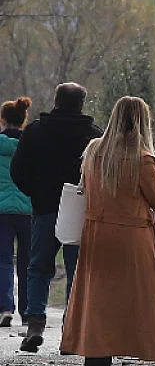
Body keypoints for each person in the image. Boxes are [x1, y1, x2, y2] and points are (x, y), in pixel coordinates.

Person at [60, 96, 155, 366]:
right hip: (134, 244)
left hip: (98, 242)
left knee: (99, 313)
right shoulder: (143, 160)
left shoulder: (94, 152)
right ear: (143, 122)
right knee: (153, 313)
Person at [10, 83, 102, 352]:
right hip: (80, 212)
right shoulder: (94, 137)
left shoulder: (35, 132)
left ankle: (35, 325)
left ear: (56, 101)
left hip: (45, 209)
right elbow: (102, 174)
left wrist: (36, 193)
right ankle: (70, 332)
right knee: (76, 271)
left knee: (39, 267)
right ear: (81, 105)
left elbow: (18, 170)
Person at [0, 97, 33, 327]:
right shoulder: (31, 144)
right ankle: (28, 311)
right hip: (29, 210)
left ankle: (5, 308)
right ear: (23, 120)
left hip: (1, 210)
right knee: (27, 262)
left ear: (2, 120)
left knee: (2, 261)